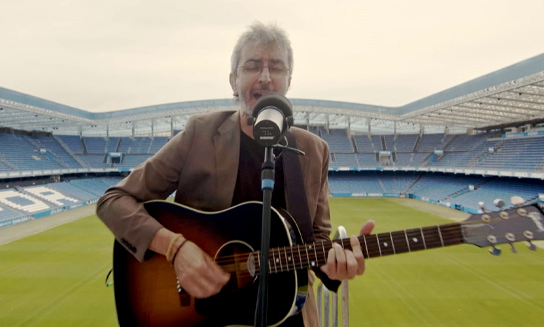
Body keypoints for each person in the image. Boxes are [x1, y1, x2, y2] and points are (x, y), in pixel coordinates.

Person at [97, 22, 374, 327]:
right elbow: (113, 201)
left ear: (289, 81)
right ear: (233, 80)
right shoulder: (199, 134)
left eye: (277, 68)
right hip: (205, 315)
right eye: (253, 66)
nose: (265, 77)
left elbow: (317, 241)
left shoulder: (313, 150)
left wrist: (335, 266)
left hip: (288, 317)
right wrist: (175, 249)